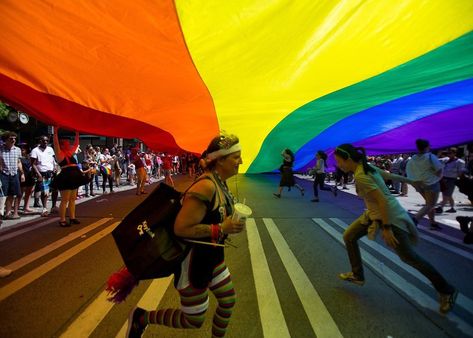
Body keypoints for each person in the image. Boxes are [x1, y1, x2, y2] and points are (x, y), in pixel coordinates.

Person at [127, 133, 245, 338]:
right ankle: (141, 318)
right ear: (221, 160)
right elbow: (181, 228)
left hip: (212, 258)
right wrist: (220, 229)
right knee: (194, 319)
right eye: (236, 157)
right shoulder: (206, 186)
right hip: (193, 263)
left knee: (228, 301)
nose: (241, 161)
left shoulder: (219, 182)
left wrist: (228, 224)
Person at [334, 143, 457, 314]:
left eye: (339, 162)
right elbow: (387, 174)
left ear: (348, 159)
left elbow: (383, 201)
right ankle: (358, 275)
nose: (338, 165)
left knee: (409, 258)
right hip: (373, 214)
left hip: (389, 217)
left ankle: (447, 290)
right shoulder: (365, 167)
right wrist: (410, 181)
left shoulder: (362, 175)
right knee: (349, 236)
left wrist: (386, 227)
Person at [52, 127, 91, 227]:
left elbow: (76, 144)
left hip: (74, 176)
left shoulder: (70, 152)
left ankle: (72, 217)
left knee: (73, 199)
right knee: (65, 199)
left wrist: (77, 133)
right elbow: (56, 143)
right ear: (62, 144)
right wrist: (55, 131)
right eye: (66, 142)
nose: (68, 143)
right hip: (67, 177)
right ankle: (62, 220)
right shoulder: (59, 154)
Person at [406, 139, 443, 230]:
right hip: (431, 184)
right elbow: (439, 171)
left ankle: (432, 222)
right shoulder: (430, 157)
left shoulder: (413, 159)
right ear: (427, 147)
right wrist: (439, 177)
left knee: (428, 204)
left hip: (419, 184)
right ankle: (415, 219)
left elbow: (409, 172)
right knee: (430, 204)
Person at [0, 131, 25, 219]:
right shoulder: (1, 149)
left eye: (14, 138)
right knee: (3, 195)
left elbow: (19, 162)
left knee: (15, 194)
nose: (13, 140)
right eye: (11, 138)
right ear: (5, 140)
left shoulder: (17, 150)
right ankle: (2, 213)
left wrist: (22, 174)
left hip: (14, 174)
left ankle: (8, 213)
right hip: (4, 174)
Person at [31, 135, 57, 217]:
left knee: (55, 190)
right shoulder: (35, 150)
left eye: (47, 141)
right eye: (43, 141)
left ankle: (54, 206)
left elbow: (53, 160)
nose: (45, 142)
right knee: (44, 192)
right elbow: (33, 164)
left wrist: (55, 167)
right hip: (42, 173)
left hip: (52, 172)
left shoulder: (50, 149)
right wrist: (38, 174)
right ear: (40, 141)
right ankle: (45, 208)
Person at [435, 147, 465, 214]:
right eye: (448, 153)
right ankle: (452, 208)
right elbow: (435, 160)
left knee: (446, 194)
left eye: (450, 153)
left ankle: (441, 208)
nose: (448, 154)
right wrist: (439, 153)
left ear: (454, 153)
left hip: (451, 179)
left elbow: (460, 173)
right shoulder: (446, 159)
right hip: (443, 178)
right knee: (448, 195)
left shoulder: (459, 162)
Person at [19, 145, 35, 213]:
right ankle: (16, 207)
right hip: (22, 176)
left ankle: (26, 207)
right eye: (22, 150)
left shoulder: (30, 158)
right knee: (20, 192)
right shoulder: (19, 158)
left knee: (29, 192)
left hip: (30, 176)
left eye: (24, 150)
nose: (22, 151)